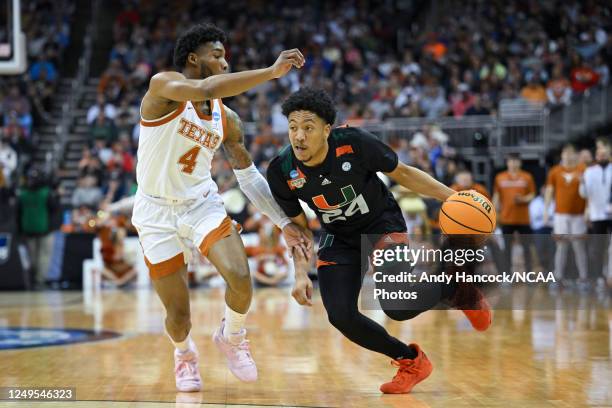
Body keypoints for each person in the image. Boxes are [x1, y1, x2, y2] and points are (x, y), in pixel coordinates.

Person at [266, 88, 492, 395]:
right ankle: (411, 360)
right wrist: (299, 272)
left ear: (326, 129)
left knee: (397, 305)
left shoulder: (354, 143)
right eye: (293, 127)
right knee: (341, 316)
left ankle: (459, 290)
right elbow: (298, 228)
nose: (299, 136)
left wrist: (453, 197)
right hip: (339, 237)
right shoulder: (281, 170)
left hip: (380, 223)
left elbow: (404, 174)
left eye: (308, 127)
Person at [131, 23, 308, 392]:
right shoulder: (163, 86)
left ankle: (233, 335)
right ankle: (183, 353)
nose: (225, 63)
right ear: (194, 58)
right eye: (217, 55)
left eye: (225, 56)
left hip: (201, 204)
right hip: (155, 212)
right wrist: (271, 72)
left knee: (241, 277)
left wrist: (282, 222)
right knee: (178, 317)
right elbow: (204, 87)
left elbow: (248, 176)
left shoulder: (227, 119)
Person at [545, 144, 588, 288]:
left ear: (575, 155)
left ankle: (583, 278)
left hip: (579, 215)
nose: (568, 156)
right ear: (562, 155)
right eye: (565, 153)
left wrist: (588, 210)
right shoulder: (555, 171)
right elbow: (550, 191)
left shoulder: (583, 169)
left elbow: (588, 192)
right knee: (561, 246)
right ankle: (558, 277)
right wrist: (546, 210)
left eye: (571, 153)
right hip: (560, 215)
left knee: (578, 246)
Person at [493, 154, 536, 273]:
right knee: (507, 249)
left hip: (523, 219)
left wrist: (523, 199)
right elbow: (496, 196)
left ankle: (528, 274)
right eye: (511, 161)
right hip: (506, 218)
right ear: (507, 163)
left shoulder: (527, 177)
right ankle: (506, 275)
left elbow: (532, 194)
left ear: (520, 163)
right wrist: (493, 212)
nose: (513, 163)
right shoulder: (500, 177)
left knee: (526, 248)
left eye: (516, 161)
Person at [579, 138, 611, 287]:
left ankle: (610, 274)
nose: (602, 157)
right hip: (597, 214)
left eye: (605, 155)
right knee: (599, 247)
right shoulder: (589, 172)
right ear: (596, 157)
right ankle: (599, 275)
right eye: (599, 155)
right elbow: (584, 194)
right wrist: (582, 183)